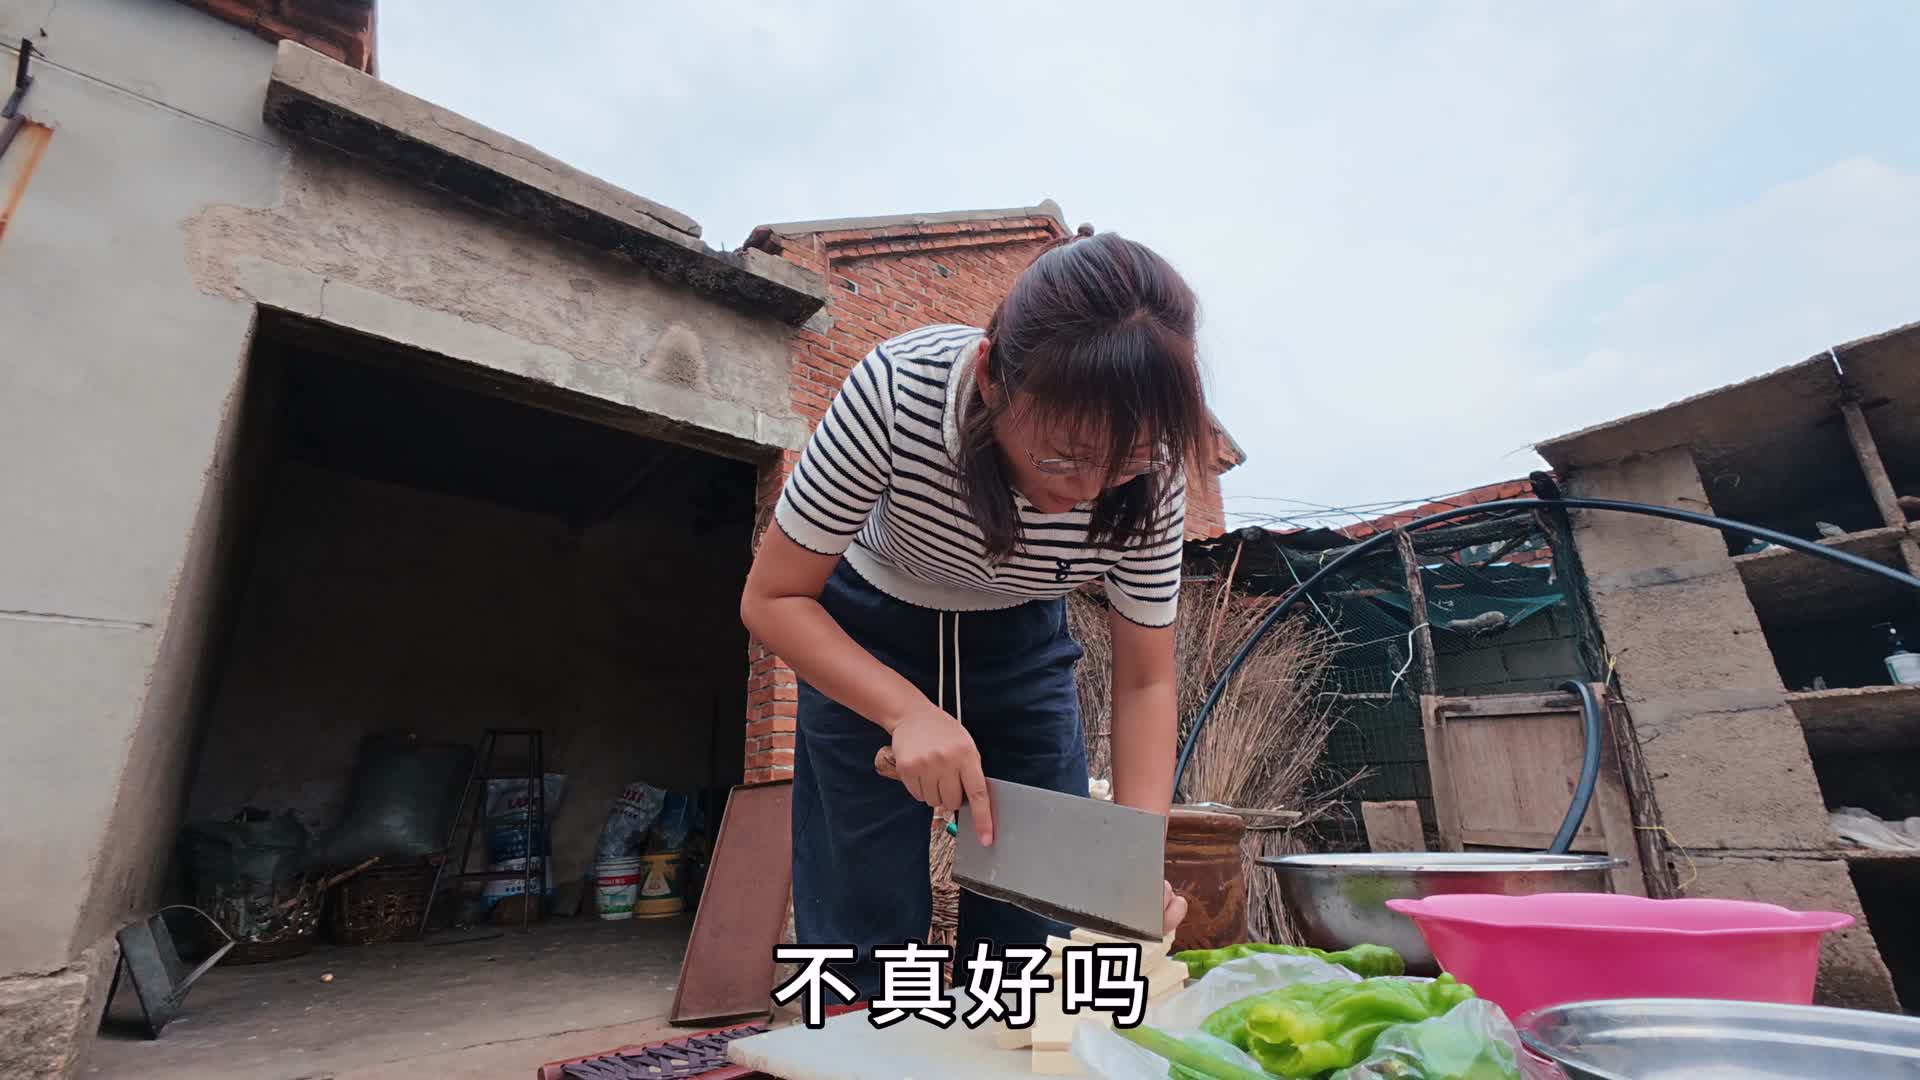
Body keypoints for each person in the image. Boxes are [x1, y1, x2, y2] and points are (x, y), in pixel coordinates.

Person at [740, 226, 1211, 999]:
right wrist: (904, 712)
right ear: (992, 377)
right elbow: (773, 597)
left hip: (1022, 645)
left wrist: (1131, 862)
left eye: (1121, 464)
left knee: (1043, 935)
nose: (1087, 491)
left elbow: (1145, 681)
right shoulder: (900, 389)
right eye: (1063, 455)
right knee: (861, 921)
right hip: (866, 629)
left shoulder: (1154, 470)